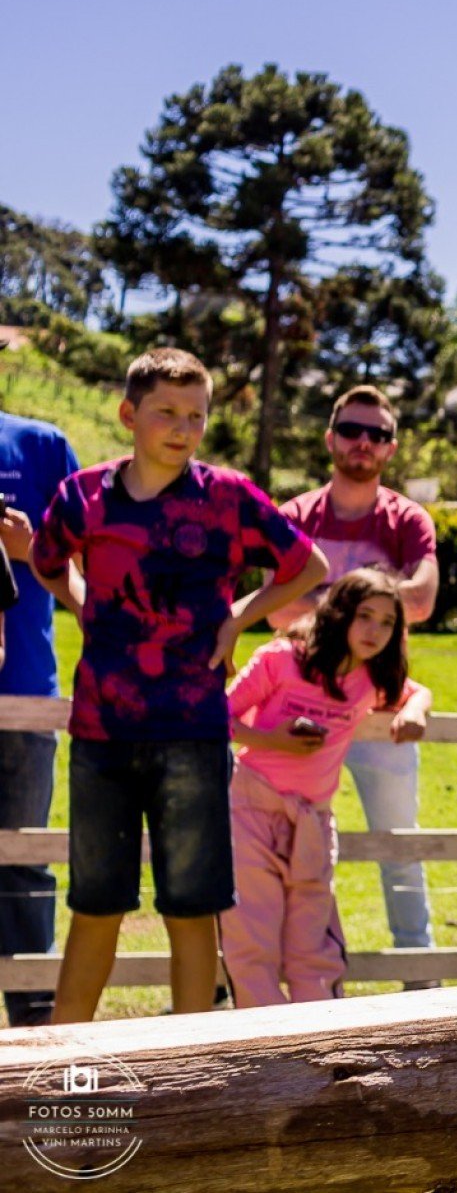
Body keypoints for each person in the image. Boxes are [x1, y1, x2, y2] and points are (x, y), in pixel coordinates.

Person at [30, 348, 327, 1022]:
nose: (182, 427)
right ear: (129, 413)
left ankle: (192, 1069)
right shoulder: (84, 495)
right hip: (101, 733)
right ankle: (60, 1064)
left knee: (192, 909)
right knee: (95, 905)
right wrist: (80, 600)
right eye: (166, 411)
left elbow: (308, 564)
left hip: (193, 731)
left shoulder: (226, 497)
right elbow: (47, 560)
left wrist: (238, 617)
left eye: (196, 414)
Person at [269, 384, 442, 973]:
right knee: (288, 844)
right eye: (351, 430)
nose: (363, 443)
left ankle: (418, 975)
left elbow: (421, 601)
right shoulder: (295, 516)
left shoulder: (407, 519)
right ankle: (299, 966)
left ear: (391, 449)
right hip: (298, 709)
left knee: (399, 846)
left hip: (380, 712)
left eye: (377, 434)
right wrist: (370, 604)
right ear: (330, 438)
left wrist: (318, 601)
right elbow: (275, 609)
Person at [220, 568, 432, 1006]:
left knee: (312, 947)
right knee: (251, 939)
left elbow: (418, 690)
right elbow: (217, 716)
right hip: (250, 812)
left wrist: (415, 709)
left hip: (312, 821)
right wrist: (272, 739)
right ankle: (264, 1048)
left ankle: (318, 1046)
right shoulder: (281, 659)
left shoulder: (371, 679)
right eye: (364, 616)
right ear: (339, 613)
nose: (375, 630)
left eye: (387, 623)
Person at [0, 408, 77, 1029]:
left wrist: (33, 553)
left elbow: (94, 575)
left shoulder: (44, 447)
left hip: (26, 694)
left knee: (23, 855)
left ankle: (32, 1018)